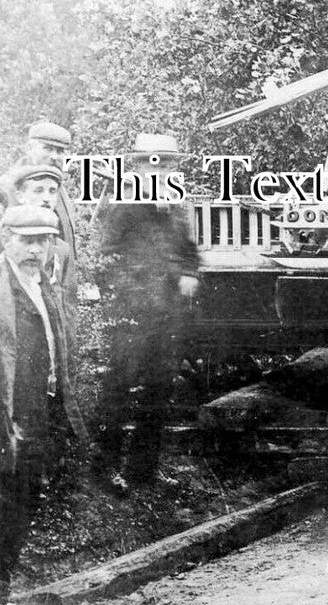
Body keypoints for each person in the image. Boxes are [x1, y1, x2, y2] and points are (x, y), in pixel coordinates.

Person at [93, 134, 199, 492]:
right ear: (137, 166)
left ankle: (144, 470)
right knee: (118, 386)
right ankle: (105, 468)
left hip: (169, 314)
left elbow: (188, 250)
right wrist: (130, 294)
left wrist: (189, 273)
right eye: (153, 163)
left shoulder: (176, 203)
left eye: (167, 163)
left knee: (159, 388)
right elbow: (106, 257)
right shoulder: (123, 204)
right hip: (132, 313)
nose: (160, 170)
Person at [0, 206, 90, 602]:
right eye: (26, 240)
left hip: (39, 409)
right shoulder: (4, 288)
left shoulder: (43, 286)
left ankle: (3, 578)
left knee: (26, 495)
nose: (35, 250)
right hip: (8, 412)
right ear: (6, 239)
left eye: (43, 241)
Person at [3, 123, 79, 348]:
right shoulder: (8, 187)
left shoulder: (59, 191)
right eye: (48, 148)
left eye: (60, 151)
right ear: (30, 147)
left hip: (54, 296)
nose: (54, 156)